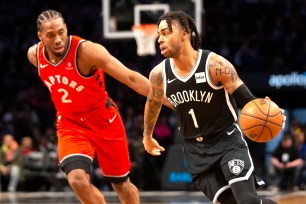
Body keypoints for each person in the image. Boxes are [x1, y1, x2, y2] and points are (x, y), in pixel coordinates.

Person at [27, 9, 170, 204]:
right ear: (40, 36)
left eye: (61, 32)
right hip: (70, 124)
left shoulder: (87, 52)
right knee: (77, 179)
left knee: (122, 185)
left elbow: (131, 78)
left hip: (104, 121)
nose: (58, 39)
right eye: (51, 35)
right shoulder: (34, 56)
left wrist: (173, 103)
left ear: (66, 29)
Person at [142, 10, 286, 204]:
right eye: (159, 34)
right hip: (196, 150)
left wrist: (272, 114)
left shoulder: (215, 65)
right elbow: (153, 102)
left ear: (185, 32)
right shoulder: (159, 74)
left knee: (247, 202)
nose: (160, 39)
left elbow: (247, 99)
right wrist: (147, 136)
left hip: (227, 142)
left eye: (166, 32)